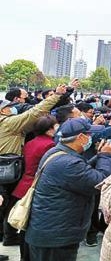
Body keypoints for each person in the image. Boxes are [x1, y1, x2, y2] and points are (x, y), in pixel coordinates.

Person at [25, 118, 111, 261]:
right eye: (90, 135)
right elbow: (100, 182)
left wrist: (99, 156)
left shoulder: (57, 152)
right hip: (56, 237)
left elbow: (83, 171)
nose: (91, 139)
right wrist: (106, 156)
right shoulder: (68, 163)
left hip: (50, 230)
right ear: (81, 137)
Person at [0, 84, 67, 247]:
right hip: (6, 170)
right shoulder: (8, 123)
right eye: (10, 108)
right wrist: (56, 95)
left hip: (7, 170)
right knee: (4, 205)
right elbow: (34, 113)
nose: (13, 109)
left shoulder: (18, 132)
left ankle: (6, 236)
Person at [11, 116, 57, 261]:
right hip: (36, 188)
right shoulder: (50, 145)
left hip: (23, 186)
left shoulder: (30, 143)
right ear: (49, 129)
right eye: (54, 126)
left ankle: (23, 256)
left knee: (24, 226)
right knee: (33, 228)